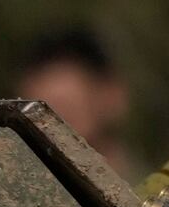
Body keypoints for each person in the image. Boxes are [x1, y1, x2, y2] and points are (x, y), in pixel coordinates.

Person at [10, 25, 134, 178]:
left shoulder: (161, 192)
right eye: (35, 116)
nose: (51, 131)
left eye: (67, 111)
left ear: (112, 96)